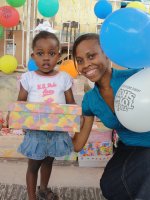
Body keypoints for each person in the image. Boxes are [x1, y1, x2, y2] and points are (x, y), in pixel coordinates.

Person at [72, 33, 150, 200]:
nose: (86, 65)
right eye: (80, 60)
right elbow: (78, 145)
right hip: (129, 148)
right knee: (110, 186)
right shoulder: (90, 100)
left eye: (91, 56)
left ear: (107, 53)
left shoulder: (134, 77)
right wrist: (51, 131)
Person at [17, 31, 75, 200]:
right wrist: (16, 117)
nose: (46, 58)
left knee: (49, 161)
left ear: (58, 55)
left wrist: (76, 118)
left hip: (57, 130)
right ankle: (31, 196)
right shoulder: (28, 78)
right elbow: (21, 102)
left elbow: (70, 103)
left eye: (51, 53)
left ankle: (43, 189)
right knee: (34, 164)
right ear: (33, 56)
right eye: (40, 53)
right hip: (35, 131)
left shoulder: (64, 78)